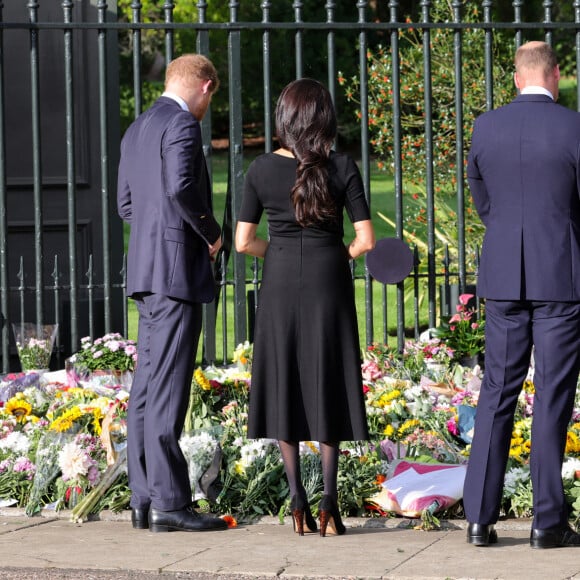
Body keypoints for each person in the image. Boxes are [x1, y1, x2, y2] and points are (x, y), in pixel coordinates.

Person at [235, 78, 375, 537]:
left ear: (284, 119)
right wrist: (339, 255)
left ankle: (296, 497)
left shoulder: (259, 169)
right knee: (328, 378)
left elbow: (242, 242)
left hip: (278, 286)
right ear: (324, 119)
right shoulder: (342, 167)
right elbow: (365, 240)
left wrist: (276, 251)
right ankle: (329, 505)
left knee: (284, 381)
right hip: (328, 283)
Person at [463, 41, 580, 549]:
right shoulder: (574, 127)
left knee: (496, 394)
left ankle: (478, 520)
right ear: (554, 74)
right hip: (561, 277)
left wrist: (510, 233)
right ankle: (546, 522)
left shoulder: (486, 126)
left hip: (504, 276)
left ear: (516, 77)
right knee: (551, 396)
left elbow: (481, 196)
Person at [117, 54, 227, 533]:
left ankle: (143, 497)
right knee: (167, 389)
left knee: (145, 387)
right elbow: (183, 186)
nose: (207, 107)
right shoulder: (182, 124)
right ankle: (169, 502)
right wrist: (211, 233)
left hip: (145, 273)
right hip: (175, 274)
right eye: (211, 97)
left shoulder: (137, 128)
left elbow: (126, 205)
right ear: (204, 85)